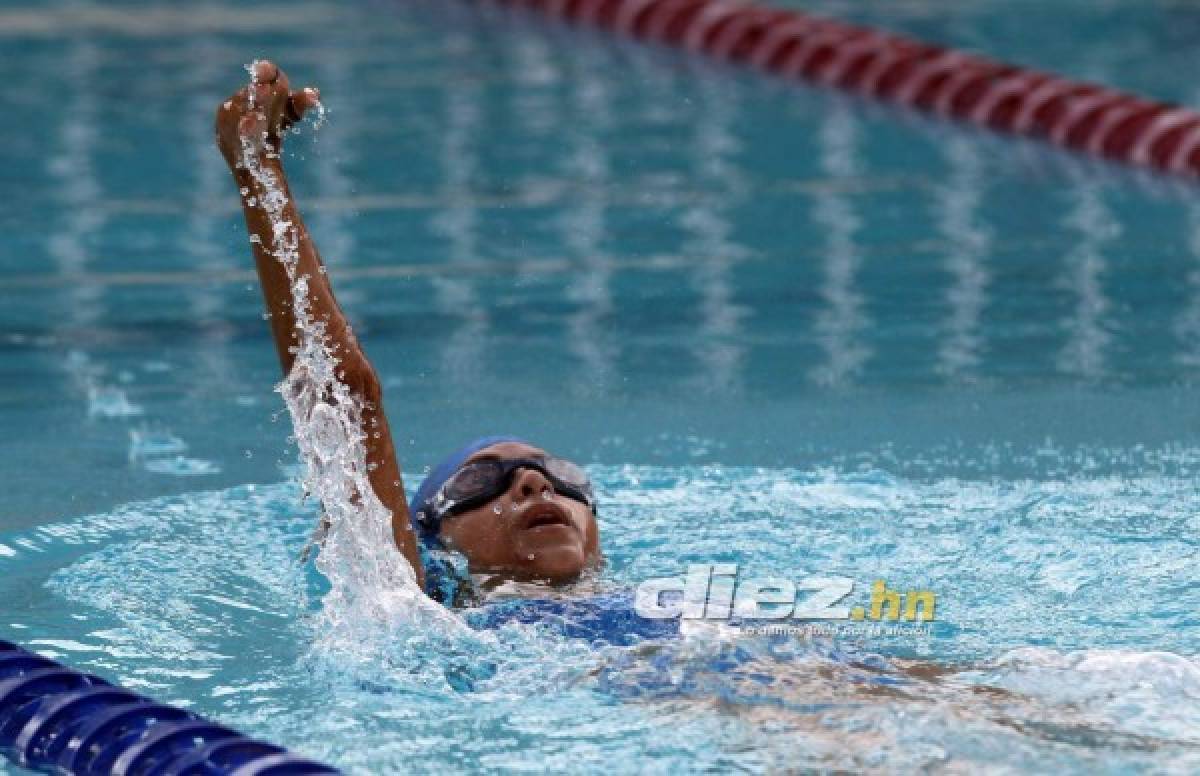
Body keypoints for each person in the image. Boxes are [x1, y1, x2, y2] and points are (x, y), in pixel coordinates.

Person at [216, 61, 603, 602]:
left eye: (561, 475)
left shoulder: (689, 606)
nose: (535, 484)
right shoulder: (425, 615)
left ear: (597, 535)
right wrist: (260, 174)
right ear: (428, 541)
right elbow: (346, 397)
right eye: (478, 483)